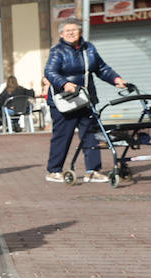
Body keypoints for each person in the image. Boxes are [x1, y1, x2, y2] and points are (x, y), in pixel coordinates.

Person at [44, 20, 127, 183]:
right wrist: (65, 84)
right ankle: (54, 170)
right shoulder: (57, 51)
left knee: (91, 135)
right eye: (67, 30)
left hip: (86, 99)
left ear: (80, 32)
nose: (71, 33)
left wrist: (116, 79)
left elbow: (102, 68)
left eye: (74, 30)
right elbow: (50, 72)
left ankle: (93, 170)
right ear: (61, 34)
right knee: (62, 136)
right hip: (64, 101)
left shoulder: (89, 48)